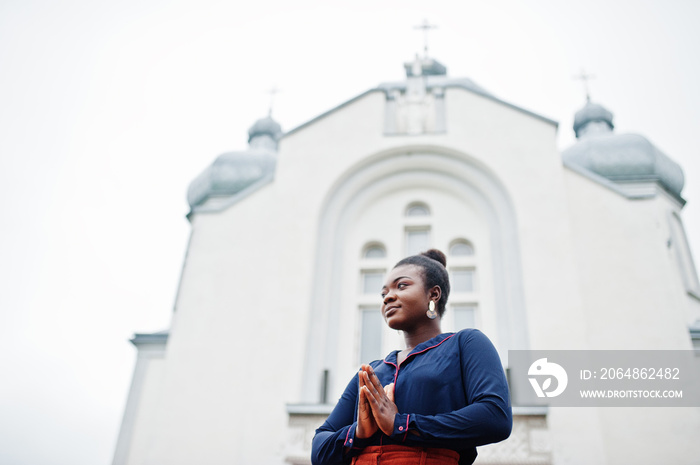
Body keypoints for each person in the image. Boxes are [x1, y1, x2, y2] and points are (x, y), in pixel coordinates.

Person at [311, 249, 512, 465]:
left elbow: (495, 416)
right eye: (383, 293)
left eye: (402, 285)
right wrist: (358, 433)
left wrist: (401, 425)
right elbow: (319, 449)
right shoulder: (373, 371)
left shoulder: (465, 344)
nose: (388, 297)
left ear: (433, 294)